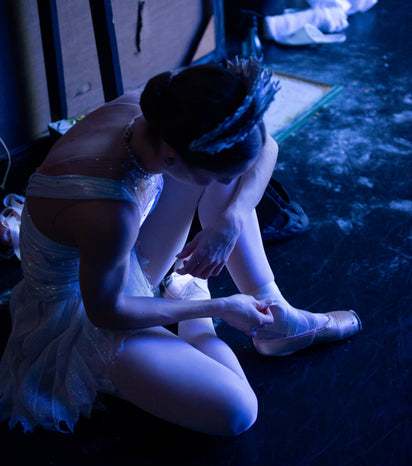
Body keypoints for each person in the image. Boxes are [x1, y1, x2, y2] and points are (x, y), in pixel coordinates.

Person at [0, 57, 361, 436]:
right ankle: (189, 303)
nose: (227, 182)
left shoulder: (157, 113)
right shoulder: (109, 211)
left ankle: (278, 320)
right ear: (172, 159)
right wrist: (217, 308)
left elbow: (264, 146)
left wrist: (232, 218)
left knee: (230, 178)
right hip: (81, 314)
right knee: (237, 410)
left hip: (119, 258)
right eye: (215, 173)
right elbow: (107, 312)